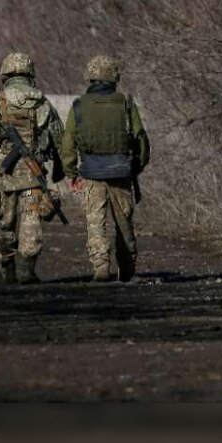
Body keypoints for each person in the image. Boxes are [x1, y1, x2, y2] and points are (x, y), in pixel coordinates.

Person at [0, 51, 65, 284]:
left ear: (5, 74)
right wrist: (61, 170)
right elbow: (60, 141)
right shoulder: (43, 104)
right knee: (32, 222)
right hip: (33, 177)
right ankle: (26, 271)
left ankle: (5, 270)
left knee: (5, 225)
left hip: (4, 178)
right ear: (30, 74)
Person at [61, 55, 150, 282]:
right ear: (114, 77)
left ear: (90, 77)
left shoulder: (79, 105)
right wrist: (137, 166)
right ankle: (127, 268)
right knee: (124, 222)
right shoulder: (127, 103)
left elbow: (68, 142)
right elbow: (141, 139)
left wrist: (71, 172)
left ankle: (101, 266)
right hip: (121, 172)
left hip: (91, 173)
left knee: (95, 222)